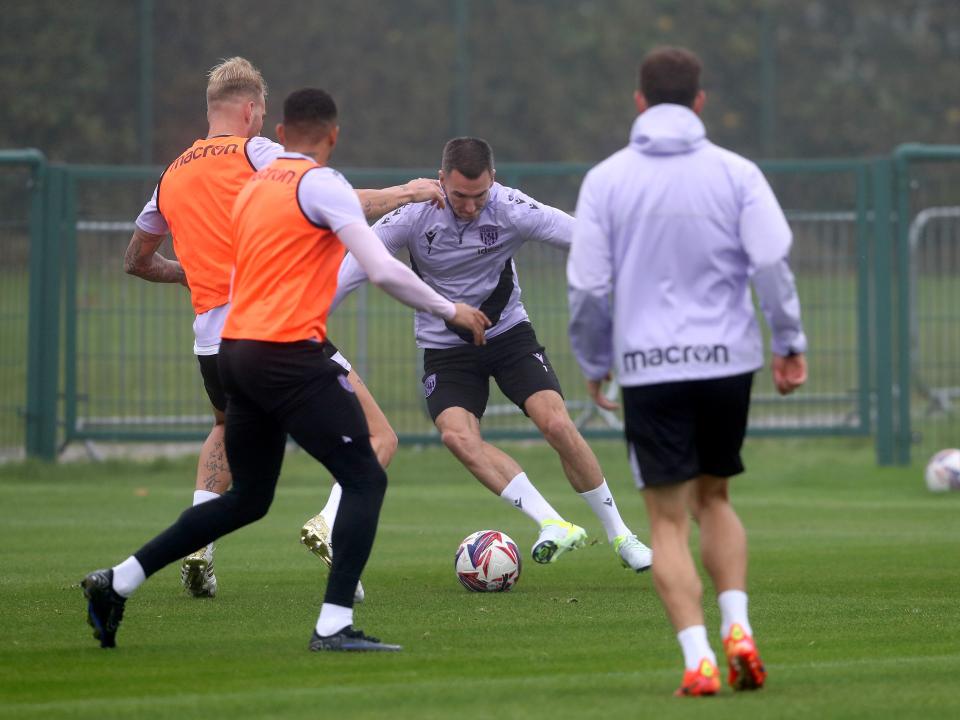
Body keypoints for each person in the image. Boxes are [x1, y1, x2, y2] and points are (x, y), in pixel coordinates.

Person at [81, 87, 490, 652]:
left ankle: (116, 581)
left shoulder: (253, 190)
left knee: (249, 499)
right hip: (287, 352)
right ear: (334, 135)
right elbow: (380, 268)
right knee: (366, 473)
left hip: (236, 353)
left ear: (279, 134)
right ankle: (333, 626)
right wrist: (452, 309)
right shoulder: (321, 184)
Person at [125, 56, 443, 601]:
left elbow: (137, 259)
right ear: (252, 110)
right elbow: (337, 200)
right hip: (274, 330)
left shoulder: (171, 174)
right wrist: (409, 192)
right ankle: (329, 540)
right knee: (377, 440)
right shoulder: (259, 153)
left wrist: (196, 277)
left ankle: (198, 545)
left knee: (226, 430)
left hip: (212, 342)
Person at [567, 46, 808, 696]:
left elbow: (589, 289)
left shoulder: (608, 180)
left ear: (639, 103)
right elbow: (771, 265)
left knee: (669, 521)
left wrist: (595, 364)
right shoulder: (737, 173)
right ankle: (739, 628)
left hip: (649, 369)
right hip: (727, 362)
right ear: (700, 102)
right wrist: (788, 340)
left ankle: (699, 658)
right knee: (716, 498)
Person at [333, 137, 653, 571]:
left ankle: (622, 536)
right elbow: (350, 272)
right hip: (445, 347)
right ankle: (553, 523)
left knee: (556, 423)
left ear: (493, 182)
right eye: (460, 196)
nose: (470, 206)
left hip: (508, 335)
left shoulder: (512, 207)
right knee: (457, 437)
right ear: (441, 179)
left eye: (479, 195)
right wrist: (303, 321)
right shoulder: (410, 216)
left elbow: (586, 239)